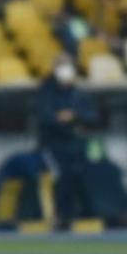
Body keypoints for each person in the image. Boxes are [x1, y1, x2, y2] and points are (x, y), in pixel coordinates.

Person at [35, 54, 98, 224]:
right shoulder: (46, 92)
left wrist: (74, 116)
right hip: (52, 146)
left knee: (82, 175)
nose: (66, 70)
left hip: (75, 145)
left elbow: (92, 116)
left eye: (68, 66)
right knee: (60, 178)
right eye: (62, 66)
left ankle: (82, 214)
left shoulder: (78, 92)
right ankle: (59, 217)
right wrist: (65, 120)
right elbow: (46, 118)